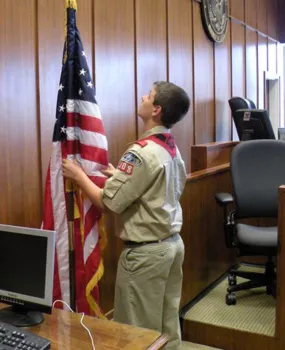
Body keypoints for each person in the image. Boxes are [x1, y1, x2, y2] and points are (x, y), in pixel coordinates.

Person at [62, 81, 190, 349]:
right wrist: (117, 176)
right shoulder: (169, 146)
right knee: (167, 326)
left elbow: (107, 203)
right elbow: (156, 187)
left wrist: (79, 175)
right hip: (171, 246)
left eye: (149, 95)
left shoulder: (141, 152)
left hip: (146, 254)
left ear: (156, 109)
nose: (143, 96)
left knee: (137, 332)